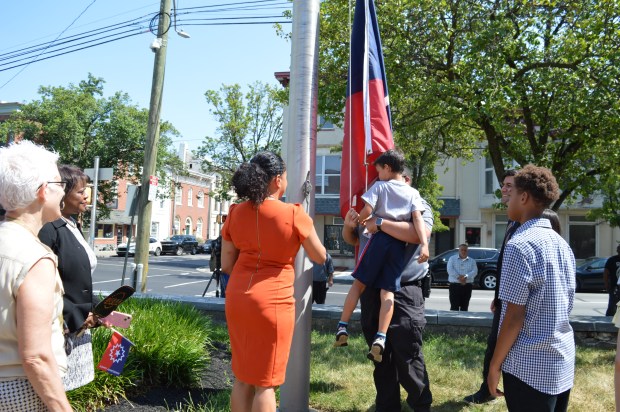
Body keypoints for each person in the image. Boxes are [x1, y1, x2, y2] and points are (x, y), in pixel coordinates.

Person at [220, 151, 326, 412]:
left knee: (243, 377)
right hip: (272, 301)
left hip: (238, 298)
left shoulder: (235, 212)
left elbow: (226, 264)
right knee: (265, 383)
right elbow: (319, 256)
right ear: (277, 180)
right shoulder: (293, 214)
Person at [488, 164, 576, 411]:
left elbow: (514, 317)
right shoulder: (562, 245)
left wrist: (494, 366)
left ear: (524, 197)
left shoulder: (519, 245)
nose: (506, 199)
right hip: (561, 363)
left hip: (528, 368)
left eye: (511, 193)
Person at [342, 176, 433, 412]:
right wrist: (349, 226)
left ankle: (421, 404)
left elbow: (418, 234)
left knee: (408, 352)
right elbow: (356, 240)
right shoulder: (373, 203)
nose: (381, 182)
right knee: (379, 354)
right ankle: (386, 405)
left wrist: (380, 222)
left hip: (404, 288)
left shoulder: (418, 203)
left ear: (407, 179)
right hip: (372, 289)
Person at [335, 150, 429, 362]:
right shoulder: (413, 193)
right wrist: (424, 245)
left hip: (378, 241)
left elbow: (367, 210)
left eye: (378, 170)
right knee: (388, 293)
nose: (377, 175)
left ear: (387, 168)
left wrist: (358, 220)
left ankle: (342, 326)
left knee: (358, 285)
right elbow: (418, 220)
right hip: (398, 246)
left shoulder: (380, 186)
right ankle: (381, 336)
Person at [0, 141, 72, 411]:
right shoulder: (34, 258)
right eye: (59, 183)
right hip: (22, 392)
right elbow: (36, 358)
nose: (62, 190)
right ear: (43, 191)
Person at [38, 165, 99, 391]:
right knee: (55, 392)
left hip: (80, 324)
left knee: (69, 392)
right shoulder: (49, 229)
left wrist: (95, 309)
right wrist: (72, 315)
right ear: (62, 196)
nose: (87, 196)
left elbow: (78, 277)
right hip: (62, 326)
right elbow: (45, 284)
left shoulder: (72, 224)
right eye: (81, 191)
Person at [464, 169, 518, 404]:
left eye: (509, 185)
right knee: (493, 347)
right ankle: (488, 390)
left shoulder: (524, 222)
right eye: (503, 185)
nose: (504, 189)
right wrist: (498, 297)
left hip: (516, 302)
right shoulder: (512, 219)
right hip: (505, 298)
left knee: (498, 348)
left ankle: (490, 391)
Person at [447, 243, 477, 311]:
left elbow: (474, 271)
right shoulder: (452, 259)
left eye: (465, 250)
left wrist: (466, 277)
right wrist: (459, 277)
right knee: (454, 307)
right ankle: (454, 321)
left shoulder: (472, 261)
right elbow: (450, 270)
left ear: (467, 251)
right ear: (459, 250)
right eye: (462, 250)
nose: (463, 251)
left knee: (465, 307)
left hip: (467, 286)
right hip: (455, 286)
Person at [604, 245, 620, 317]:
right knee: (612, 307)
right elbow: (606, 272)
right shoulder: (612, 260)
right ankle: (608, 322)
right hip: (615, 287)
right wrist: (606, 284)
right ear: (617, 250)